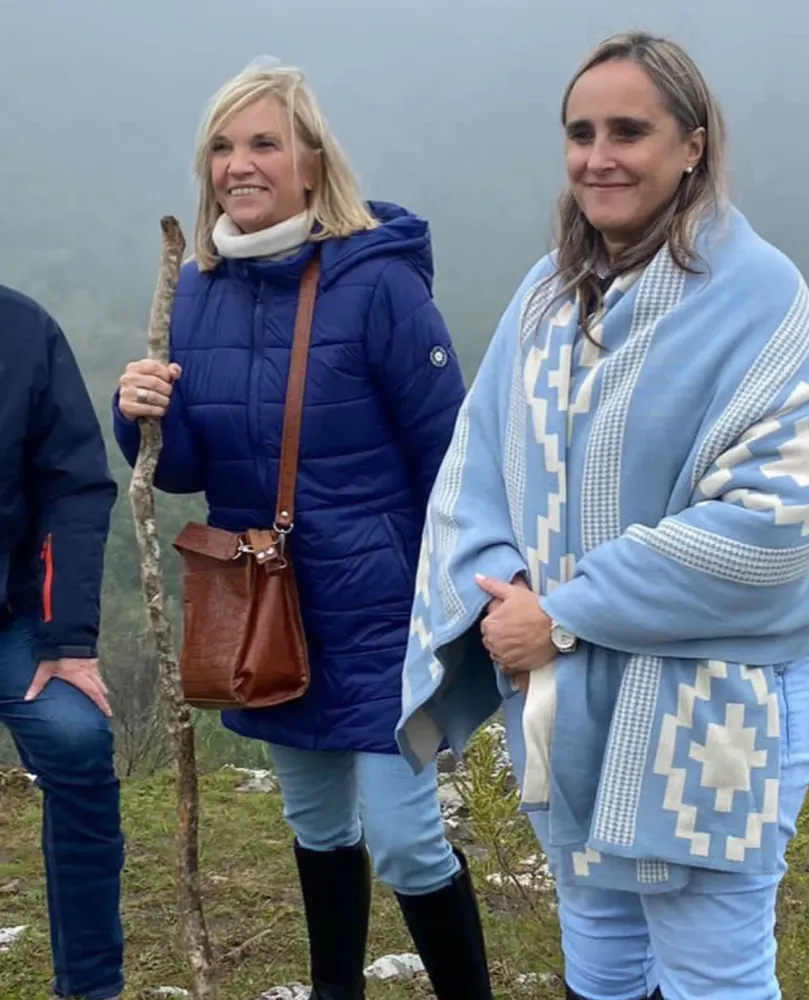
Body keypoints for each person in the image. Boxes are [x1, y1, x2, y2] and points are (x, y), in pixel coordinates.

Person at [397, 31, 809, 1000]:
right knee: (598, 959)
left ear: (691, 144)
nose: (598, 155)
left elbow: (777, 517)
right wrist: (502, 594)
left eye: (628, 131)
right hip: (566, 697)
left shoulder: (759, 297)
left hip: (713, 699)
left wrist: (560, 609)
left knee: (713, 972)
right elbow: (477, 466)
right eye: (580, 131)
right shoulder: (546, 294)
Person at [111, 62, 492, 1000]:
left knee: (406, 839)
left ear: (314, 163)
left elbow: (455, 454)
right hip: (267, 605)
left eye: (264, 144)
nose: (238, 165)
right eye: (223, 147)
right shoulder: (199, 288)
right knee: (319, 824)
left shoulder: (379, 285)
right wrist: (141, 413)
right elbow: (196, 469)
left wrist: (463, 600)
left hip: (381, 608)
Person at [0, 284, 122, 1000]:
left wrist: (67, 639)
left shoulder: (21, 329)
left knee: (77, 741)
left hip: (14, 614)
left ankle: (91, 986)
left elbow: (74, 485)